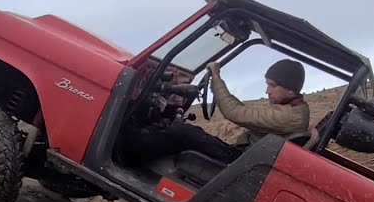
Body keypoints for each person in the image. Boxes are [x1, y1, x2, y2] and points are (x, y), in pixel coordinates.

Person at [117, 58, 311, 167]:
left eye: (272, 86)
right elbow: (242, 110)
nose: (267, 91)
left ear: (290, 88)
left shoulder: (290, 116)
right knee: (185, 129)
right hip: (244, 159)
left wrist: (216, 78)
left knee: (185, 133)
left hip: (239, 163)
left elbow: (234, 112)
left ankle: (128, 153)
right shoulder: (290, 109)